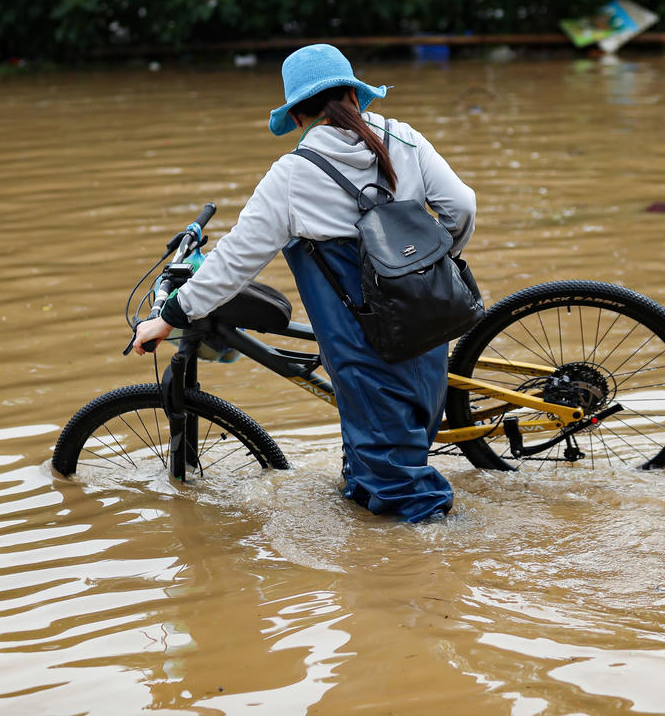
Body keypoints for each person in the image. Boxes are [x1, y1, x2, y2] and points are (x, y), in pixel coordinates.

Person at [132, 43, 476, 522]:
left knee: (402, 486)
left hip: (360, 336)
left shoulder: (293, 176)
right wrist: (432, 264)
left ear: (296, 115)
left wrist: (171, 315)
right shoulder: (405, 138)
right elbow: (462, 207)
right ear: (355, 95)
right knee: (390, 448)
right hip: (427, 317)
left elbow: (236, 259)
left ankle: (438, 563)